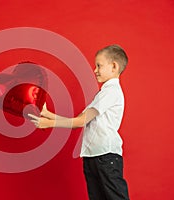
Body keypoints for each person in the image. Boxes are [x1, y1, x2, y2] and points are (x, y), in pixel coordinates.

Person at [29, 44, 130, 200]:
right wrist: (48, 114)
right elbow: (78, 119)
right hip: (94, 156)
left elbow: (80, 122)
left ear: (114, 66)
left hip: (106, 157)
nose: (95, 70)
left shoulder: (111, 92)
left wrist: (49, 123)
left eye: (99, 65)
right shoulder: (103, 93)